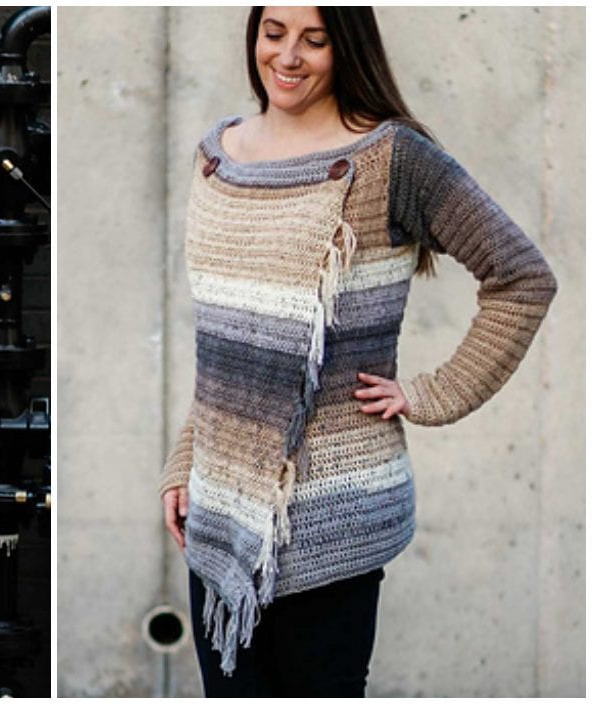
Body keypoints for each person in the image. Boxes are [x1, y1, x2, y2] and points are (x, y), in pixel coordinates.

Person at [157, 6, 557, 697]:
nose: (287, 56)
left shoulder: (390, 159)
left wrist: (431, 393)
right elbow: (226, 342)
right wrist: (185, 460)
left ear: (345, 48)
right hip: (220, 511)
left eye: (314, 40)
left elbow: (520, 278)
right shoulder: (215, 157)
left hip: (333, 517)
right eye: (272, 32)